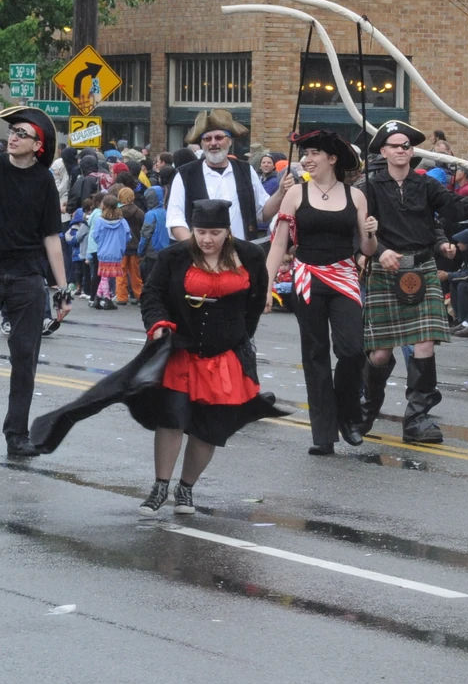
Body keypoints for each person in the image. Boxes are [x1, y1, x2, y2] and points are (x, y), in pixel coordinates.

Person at [30, 198, 283, 518]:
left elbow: (256, 298)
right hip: (180, 351)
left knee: (210, 429)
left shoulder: (249, 255)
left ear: (227, 232)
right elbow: (152, 295)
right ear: (192, 230)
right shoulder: (174, 256)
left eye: (215, 233)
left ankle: (186, 489)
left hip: (226, 357)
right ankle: (160, 486)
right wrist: (159, 325)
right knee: (172, 418)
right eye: (201, 232)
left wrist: (241, 337)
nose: (207, 239)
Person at [359, 119, 468, 444]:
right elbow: (357, 231)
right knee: (379, 355)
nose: (401, 150)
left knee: (424, 345)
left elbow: (453, 207)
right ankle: (364, 409)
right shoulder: (368, 188)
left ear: (412, 151)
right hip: (385, 271)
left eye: (406, 145)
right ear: (384, 151)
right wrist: (381, 252)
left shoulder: (425, 185)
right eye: (395, 146)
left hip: (422, 269)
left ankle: (417, 420)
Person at [0, 108, 73, 457]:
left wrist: (62, 289)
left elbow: (52, 238)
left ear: (37, 144)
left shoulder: (43, 181)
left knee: (24, 358)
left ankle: (16, 434)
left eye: (21, 133)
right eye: (11, 132)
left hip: (27, 279)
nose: (12, 137)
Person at [264, 130, 375, 456]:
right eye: (305, 154)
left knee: (352, 349)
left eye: (313, 153)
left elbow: (368, 248)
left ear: (332, 158)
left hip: (344, 278)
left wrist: (369, 235)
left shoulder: (355, 196)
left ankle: (349, 415)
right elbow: (279, 244)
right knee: (315, 355)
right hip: (306, 277)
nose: (307, 159)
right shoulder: (296, 194)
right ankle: (324, 433)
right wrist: (267, 286)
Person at [165, 109, 282, 243]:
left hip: (241, 257)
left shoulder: (245, 170)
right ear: (202, 143)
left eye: (219, 137)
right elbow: (175, 219)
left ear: (230, 141)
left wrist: (282, 191)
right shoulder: (185, 174)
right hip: (200, 259)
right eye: (207, 139)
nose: (213, 143)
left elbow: (262, 213)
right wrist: (196, 249)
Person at [89, 195, 132, 307]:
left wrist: (102, 243)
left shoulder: (100, 221)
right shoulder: (122, 222)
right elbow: (128, 236)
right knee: (107, 276)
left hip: (103, 252)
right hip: (117, 252)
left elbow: (95, 235)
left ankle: (103, 298)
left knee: (104, 275)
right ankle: (101, 298)